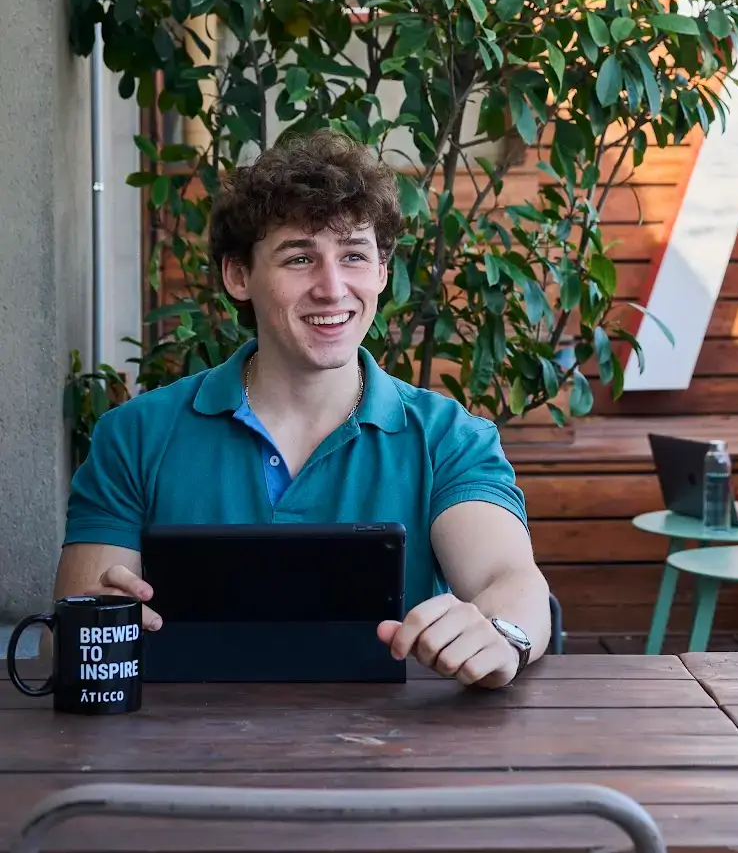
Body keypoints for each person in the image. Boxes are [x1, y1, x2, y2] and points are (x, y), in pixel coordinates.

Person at [54, 131, 551, 687]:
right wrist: (100, 625)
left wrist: (501, 634)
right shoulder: (134, 435)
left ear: (382, 274)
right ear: (238, 276)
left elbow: (511, 579)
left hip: (396, 756)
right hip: (181, 755)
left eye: (354, 257)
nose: (333, 288)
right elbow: (81, 619)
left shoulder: (450, 437)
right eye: (299, 258)